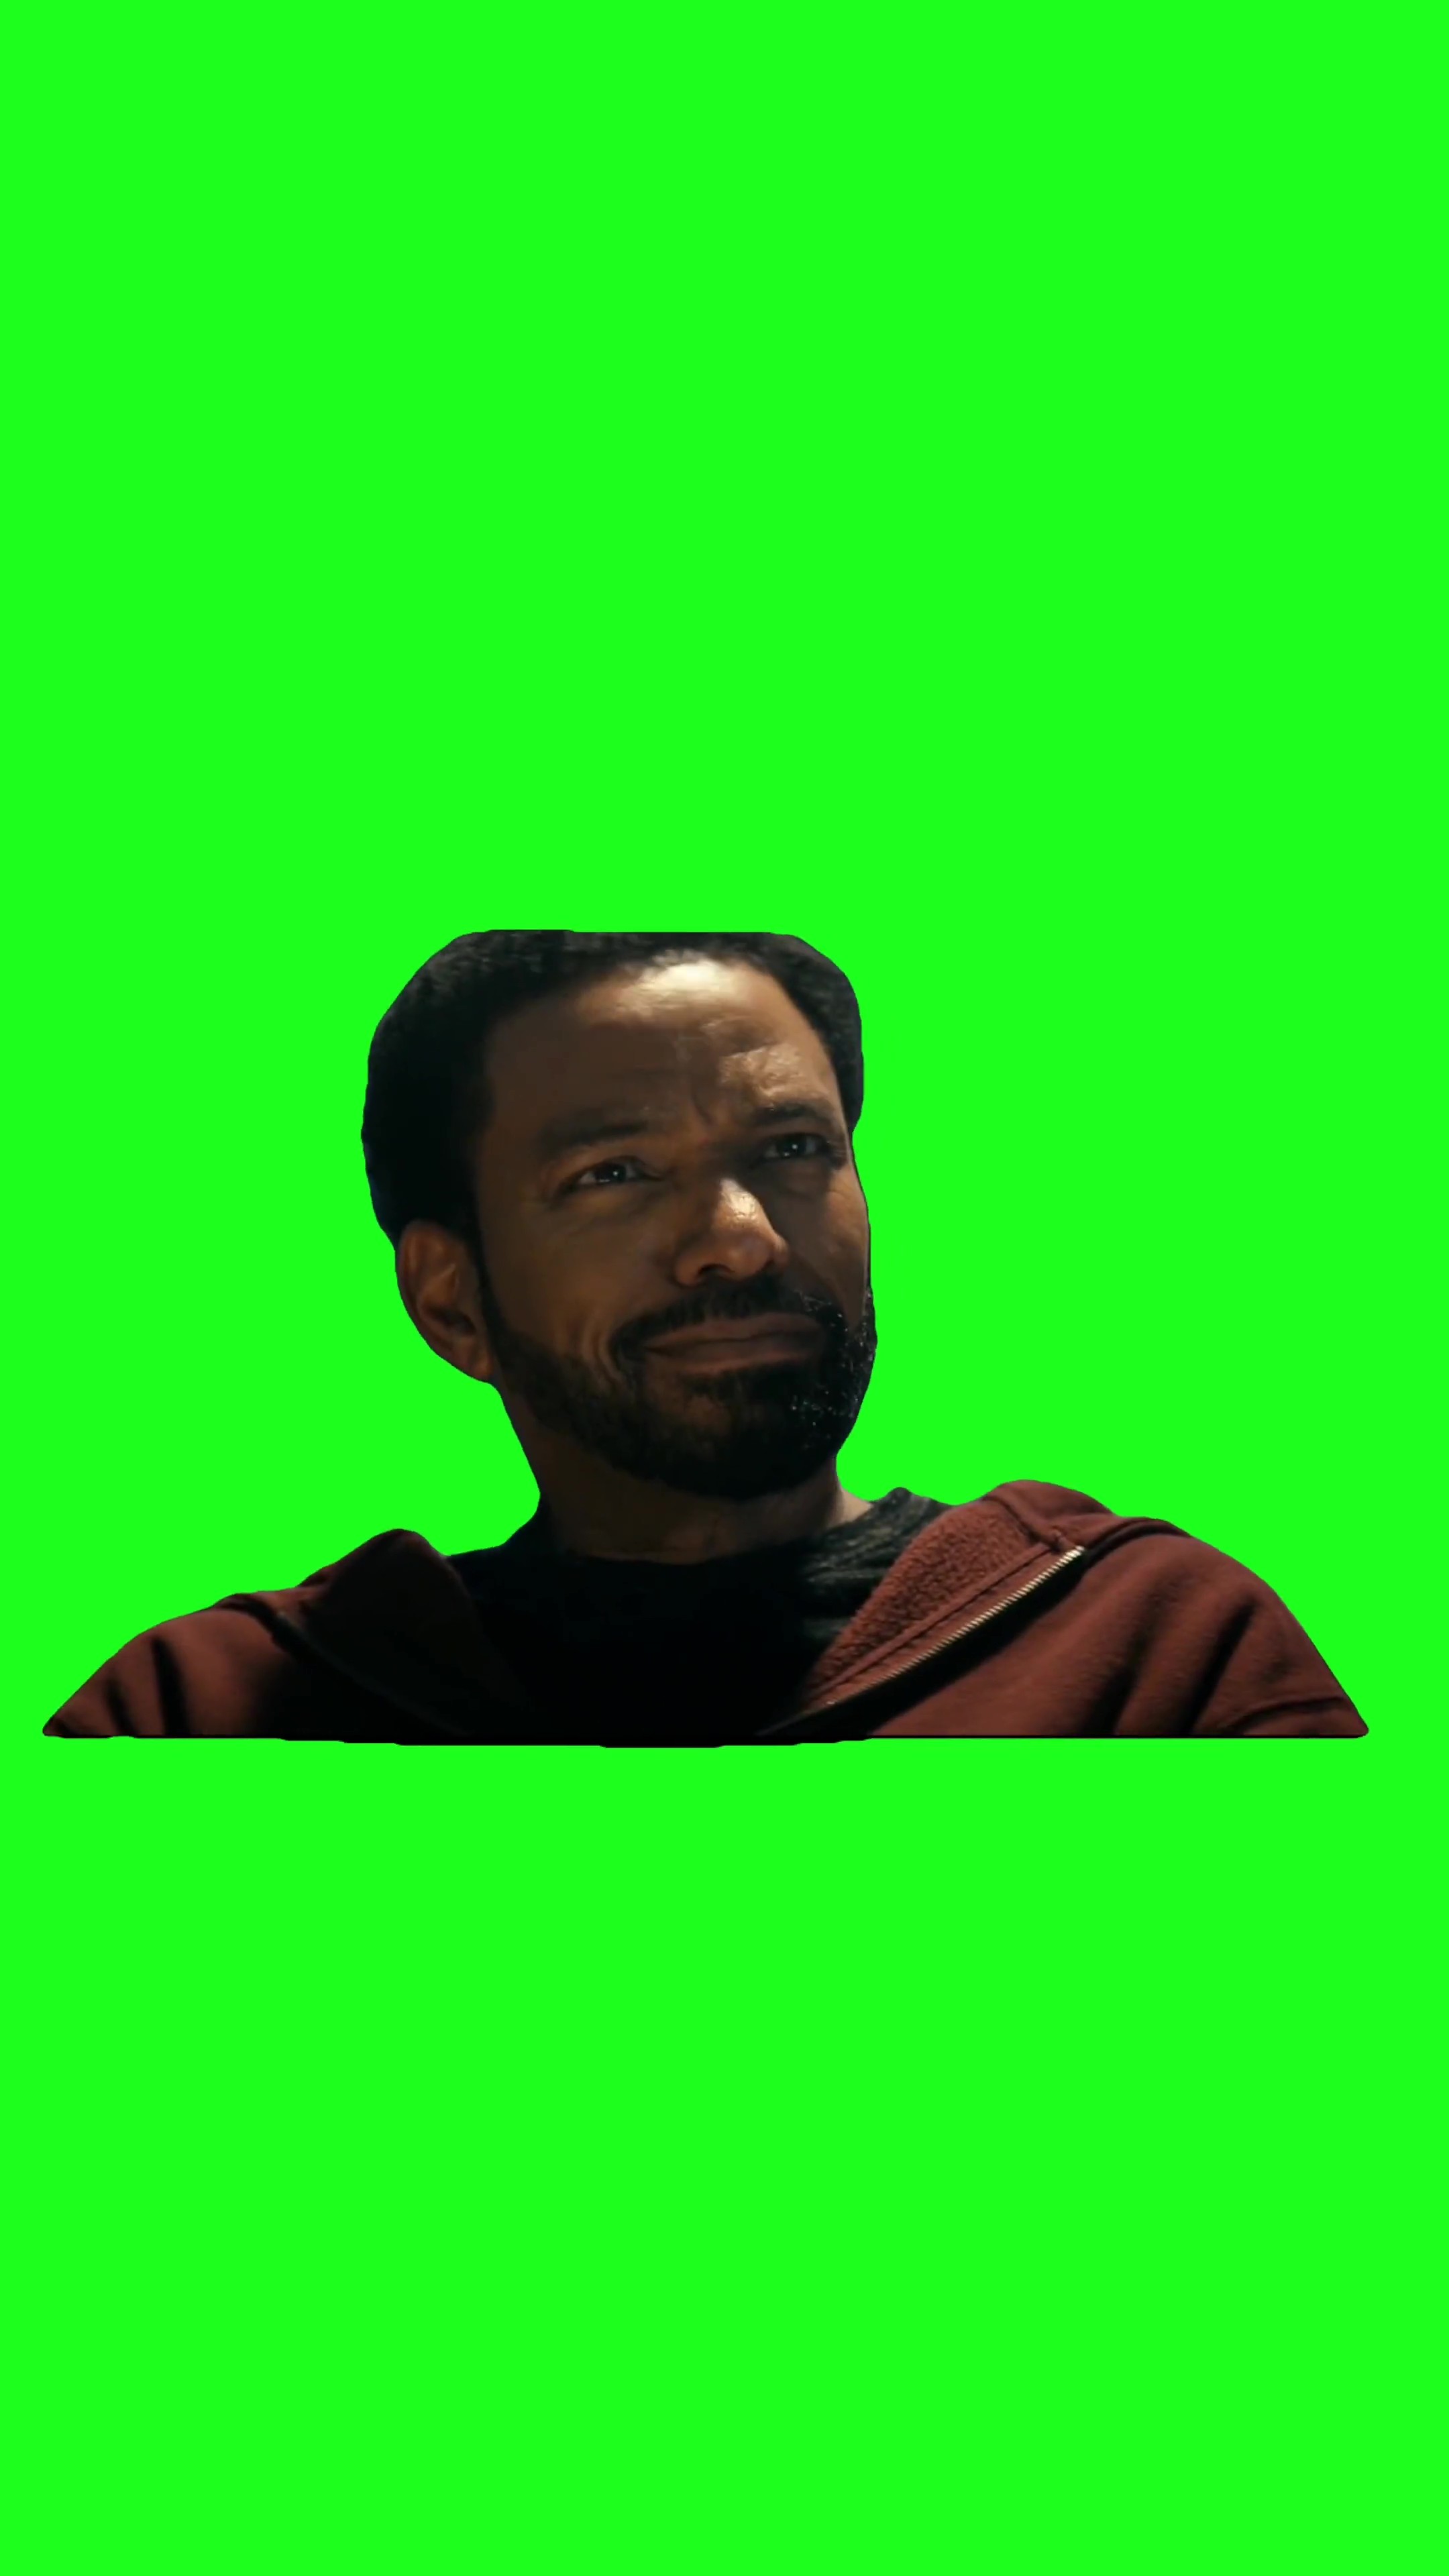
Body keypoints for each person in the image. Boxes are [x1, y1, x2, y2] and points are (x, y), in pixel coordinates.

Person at [43, 928, 1366, 1741]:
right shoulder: (202, 1711)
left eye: (792, 1148)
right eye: (614, 1174)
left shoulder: (1158, 1657)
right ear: (451, 1301)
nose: (738, 1238)